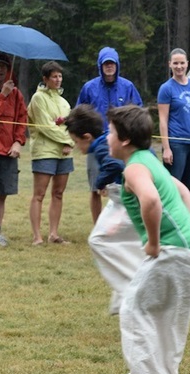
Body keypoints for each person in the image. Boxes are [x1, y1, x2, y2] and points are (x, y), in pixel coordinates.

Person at [104, 104, 190, 374]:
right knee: (164, 318)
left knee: (134, 308)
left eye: (110, 132)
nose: (106, 137)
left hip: (176, 251)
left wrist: (153, 242)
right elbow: (182, 191)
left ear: (124, 139)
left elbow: (151, 200)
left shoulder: (136, 167)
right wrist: (188, 225)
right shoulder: (147, 160)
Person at [66, 104, 136, 315]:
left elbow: (114, 165)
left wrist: (99, 183)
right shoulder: (104, 141)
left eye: (76, 141)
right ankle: (123, 290)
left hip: (127, 201)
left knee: (100, 240)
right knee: (102, 239)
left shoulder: (102, 145)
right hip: (120, 199)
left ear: (87, 137)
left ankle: (128, 290)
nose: (77, 146)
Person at [77, 47, 143, 223]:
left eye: (112, 63)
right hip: (96, 144)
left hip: (122, 144)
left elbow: (138, 112)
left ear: (117, 65)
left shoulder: (127, 87)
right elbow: (79, 113)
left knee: (125, 185)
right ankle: (98, 224)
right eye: (106, 63)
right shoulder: (89, 88)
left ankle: (124, 223)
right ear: (100, 65)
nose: (109, 67)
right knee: (95, 187)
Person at [0, 53, 27, 248]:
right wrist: (3, 95)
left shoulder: (17, 95)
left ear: (9, 69)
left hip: (9, 152)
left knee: (2, 195)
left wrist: (18, 142)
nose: (0, 70)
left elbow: (22, 120)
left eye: (3, 66)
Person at [26, 61, 74, 246]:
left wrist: (68, 141)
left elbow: (70, 126)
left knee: (58, 193)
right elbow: (45, 126)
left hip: (64, 153)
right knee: (39, 194)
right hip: (44, 151)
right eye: (54, 76)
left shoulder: (64, 102)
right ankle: (37, 236)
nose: (58, 79)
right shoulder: (38, 99)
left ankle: (54, 233)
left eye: (60, 76)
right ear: (45, 79)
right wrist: (66, 139)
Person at [157, 48, 190, 191]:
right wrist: (166, 148)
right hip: (177, 143)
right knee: (174, 186)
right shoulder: (166, 88)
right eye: (175, 63)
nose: (179, 67)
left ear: (187, 64)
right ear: (169, 64)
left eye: (182, 63)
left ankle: (186, 213)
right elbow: (163, 120)